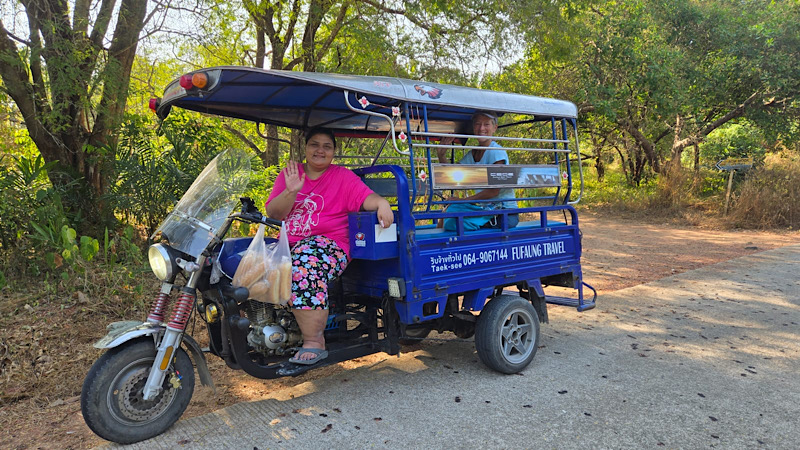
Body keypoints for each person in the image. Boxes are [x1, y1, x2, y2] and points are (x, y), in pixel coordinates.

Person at [265, 128, 394, 365]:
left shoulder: (342, 177)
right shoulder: (290, 174)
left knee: (304, 267)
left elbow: (367, 198)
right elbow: (274, 213)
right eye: (315, 144)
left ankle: (314, 341)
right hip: (289, 243)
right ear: (305, 148)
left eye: (327, 146)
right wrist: (291, 190)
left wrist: (383, 203)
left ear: (334, 151)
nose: (320, 150)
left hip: (330, 243)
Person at [436, 111, 519, 229]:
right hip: (486, 210)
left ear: (494, 128)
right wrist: (441, 155)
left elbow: (493, 191)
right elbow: (452, 176)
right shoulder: (472, 154)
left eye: (486, 124)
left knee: (452, 221)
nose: (481, 128)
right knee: (449, 210)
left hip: (504, 214)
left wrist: (463, 200)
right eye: (477, 124)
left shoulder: (496, 152)